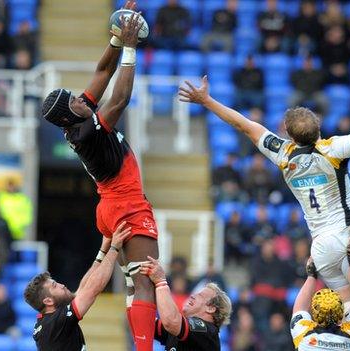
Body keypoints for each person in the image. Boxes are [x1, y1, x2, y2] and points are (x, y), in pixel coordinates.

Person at [179, 76, 350, 350]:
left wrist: (206, 100)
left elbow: (243, 125)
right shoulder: (332, 150)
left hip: (322, 248)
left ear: (289, 135)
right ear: (318, 130)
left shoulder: (282, 153)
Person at [40, 4, 159, 350]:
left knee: (137, 282)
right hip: (125, 203)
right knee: (146, 279)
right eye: (75, 99)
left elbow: (103, 69)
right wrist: (132, 47)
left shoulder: (77, 118)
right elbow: (120, 98)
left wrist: (117, 35)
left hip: (113, 204)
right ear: (69, 115)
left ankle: (141, 343)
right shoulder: (85, 131)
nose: (82, 97)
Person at [23, 222, 132, 351]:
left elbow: (82, 289)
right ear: (48, 301)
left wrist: (103, 250)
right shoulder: (54, 324)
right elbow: (92, 290)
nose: (62, 285)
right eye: (55, 286)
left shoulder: (50, 318)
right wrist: (114, 249)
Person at [290, 239, 350, 350]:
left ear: (314, 313)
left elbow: (299, 308)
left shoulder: (303, 335)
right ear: (341, 311)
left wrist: (311, 275)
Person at [140, 256, 231, 350]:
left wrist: (160, 281)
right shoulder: (180, 329)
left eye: (199, 296)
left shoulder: (207, 331)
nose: (192, 296)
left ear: (211, 308)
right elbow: (144, 323)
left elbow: (171, 321)